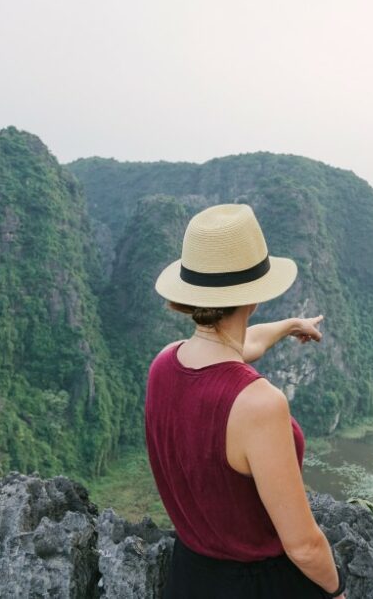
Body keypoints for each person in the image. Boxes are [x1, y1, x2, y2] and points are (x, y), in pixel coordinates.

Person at [145, 203, 346, 599]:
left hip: (188, 577)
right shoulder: (259, 404)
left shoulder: (164, 363)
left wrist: (291, 326)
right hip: (257, 585)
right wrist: (338, 591)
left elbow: (235, 346)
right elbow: (304, 546)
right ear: (254, 296)